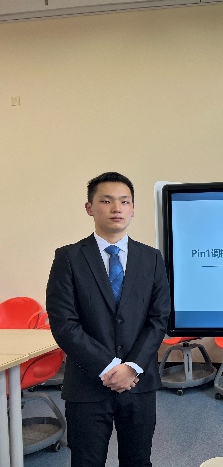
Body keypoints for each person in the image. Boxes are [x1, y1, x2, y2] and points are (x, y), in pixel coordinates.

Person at [46, 172, 171, 467]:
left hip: (138, 381)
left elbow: (159, 318)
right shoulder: (68, 258)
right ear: (89, 208)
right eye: (106, 201)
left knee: (138, 460)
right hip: (87, 383)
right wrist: (109, 366)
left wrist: (132, 366)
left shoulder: (151, 258)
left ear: (133, 208)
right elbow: (64, 323)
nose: (117, 208)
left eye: (124, 201)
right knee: (86, 461)